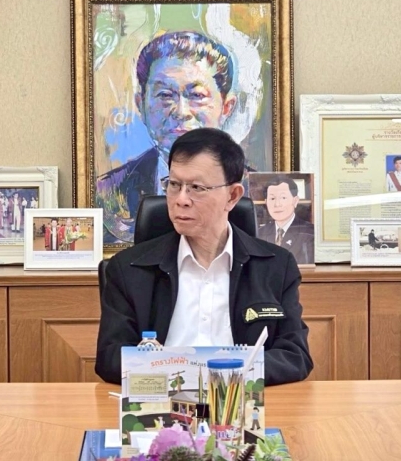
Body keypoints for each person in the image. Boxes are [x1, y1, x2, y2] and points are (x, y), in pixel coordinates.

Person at [95, 128, 312, 386]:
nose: (181, 199)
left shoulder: (276, 266)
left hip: (240, 399)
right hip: (161, 400)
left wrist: (223, 372)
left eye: (196, 188)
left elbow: (294, 356)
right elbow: (110, 358)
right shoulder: (128, 269)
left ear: (232, 196)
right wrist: (182, 374)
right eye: (174, 185)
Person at [96, 31, 237, 243]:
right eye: (164, 95)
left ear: (226, 107)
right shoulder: (108, 191)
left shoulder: (258, 191)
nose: (181, 112)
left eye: (197, 95)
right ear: (140, 105)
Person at [257, 176, 314, 264]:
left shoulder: (309, 233)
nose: (277, 204)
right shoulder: (260, 233)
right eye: (272, 198)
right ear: (266, 202)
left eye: (283, 198)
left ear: (295, 201)